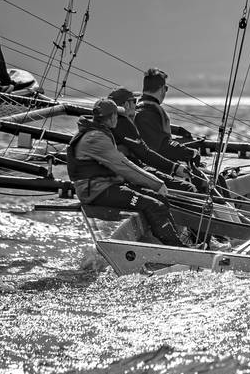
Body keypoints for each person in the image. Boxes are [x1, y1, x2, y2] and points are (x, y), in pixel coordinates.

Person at [66, 98, 194, 247]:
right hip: (96, 191)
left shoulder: (97, 132)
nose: (118, 119)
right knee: (152, 205)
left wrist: (154, 186)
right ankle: (176, 248)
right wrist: (156, 183)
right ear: (112, 117)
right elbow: (123, 166)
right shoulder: (95, 138)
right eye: (117, 115)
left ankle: (176, 242)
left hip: (106, 186)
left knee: (160, 199)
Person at [134, 68, 202, 167]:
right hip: (153, 165)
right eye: (166, 88)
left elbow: (152, 131)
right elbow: (162, 147)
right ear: (162, 89)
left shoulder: (140, 107)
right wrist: (191, 153)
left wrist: (178, 130)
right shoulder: (147, 112)